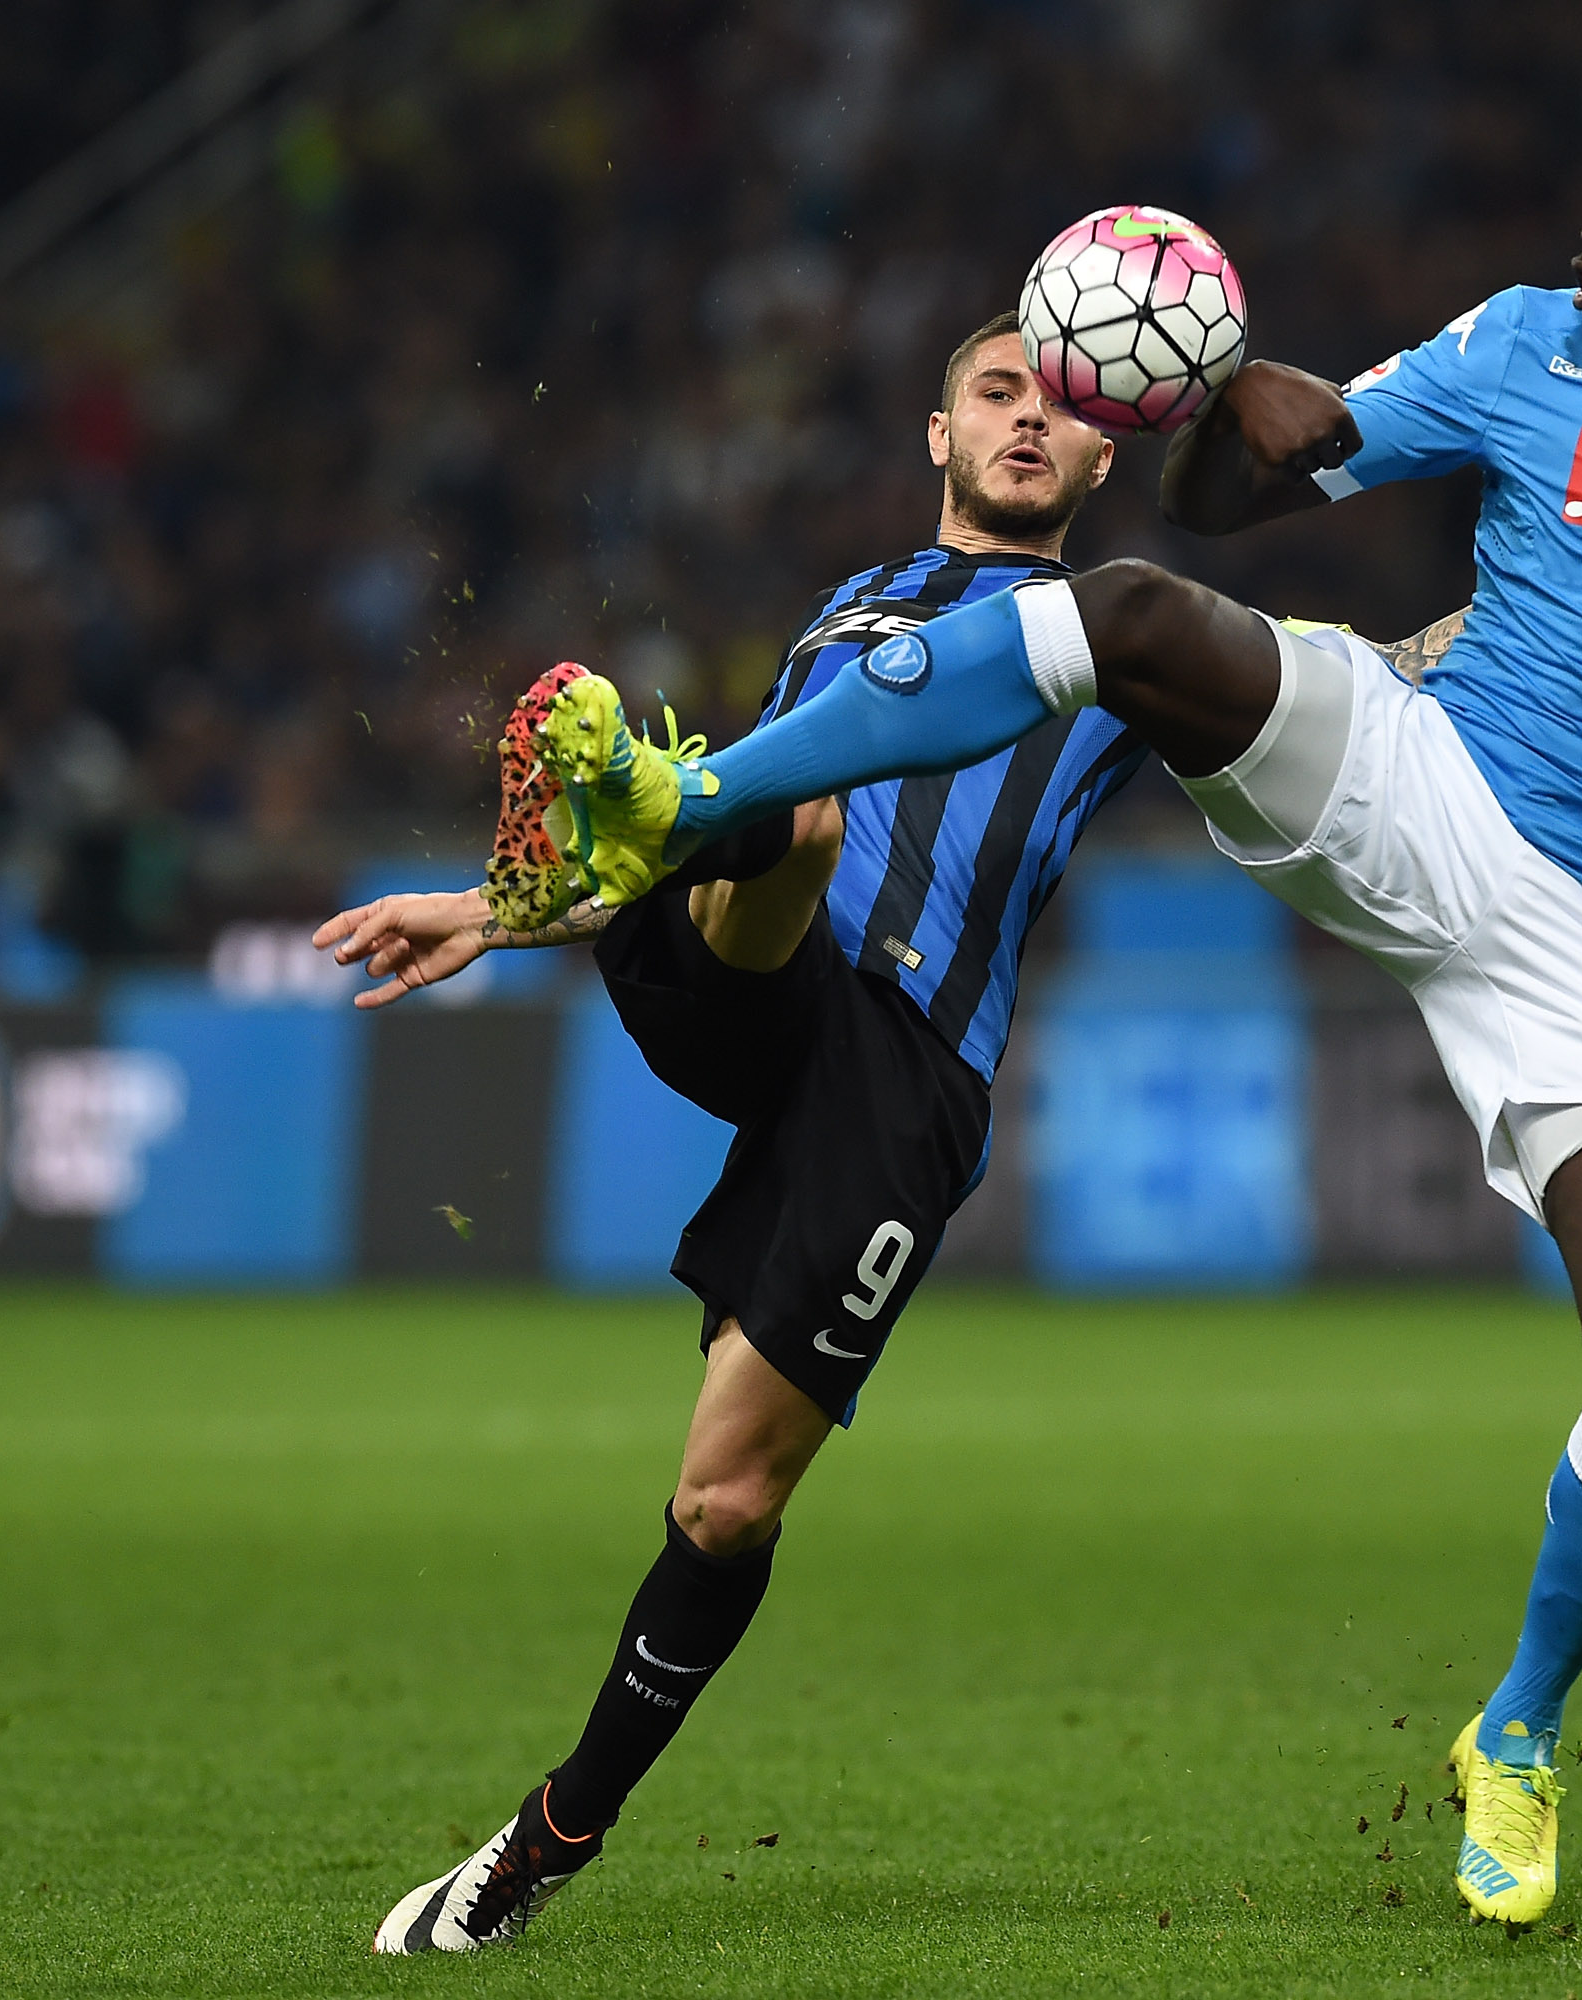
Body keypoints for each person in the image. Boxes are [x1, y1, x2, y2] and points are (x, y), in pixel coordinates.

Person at [508, 96, 1582, 1928]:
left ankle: (1513, 1731)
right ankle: (692, 797)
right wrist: (1211, 417)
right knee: (1130, 610)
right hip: (1421, 772)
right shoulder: (1517, 345)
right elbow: (1241, 496)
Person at [313, 313, 1151, 1955]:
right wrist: (493, 916)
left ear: (1110, 448)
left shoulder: (1130, 637)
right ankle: (648, 798)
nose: (1027, 421)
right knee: (782, 808)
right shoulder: (847, 614)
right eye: (997, 394)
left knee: (722, 1507)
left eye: (1060, 406)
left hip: (899, 1067)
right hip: (745, 978)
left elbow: (1355, 692)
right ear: (937, 434)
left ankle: (553, 1833)